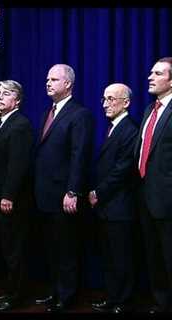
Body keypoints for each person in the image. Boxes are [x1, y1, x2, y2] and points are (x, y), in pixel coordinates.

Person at [34, 64, 94, 312]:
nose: (48, 83)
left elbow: (79, 156)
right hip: (44, 194)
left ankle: (66, 297)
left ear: (68, 84)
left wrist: (72, 192)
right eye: (47, 79)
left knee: (66, 249)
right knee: (50, 248)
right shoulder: (48, 112)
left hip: (63, 196)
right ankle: (55, 291)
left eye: (54, 79)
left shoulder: (80, 114)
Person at [88, 83, 138, 313]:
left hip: (120, 205)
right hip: (106, 207)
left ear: (125, 102)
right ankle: (112, 297)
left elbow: (122, 169)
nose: (105, 104)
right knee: (108, 257)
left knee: (121, 258)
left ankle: (123, 302)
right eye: (104, 99)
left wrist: (99, 193)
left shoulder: (130, 129)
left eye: (111, 99)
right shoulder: (111, 127)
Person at [0, 80, 34, 311]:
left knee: (15, 250)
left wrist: (8, 196)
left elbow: (18, 165)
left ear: (17, 100)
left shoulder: (20, 125)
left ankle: (17, 295)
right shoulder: (3, 123)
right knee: (6, 248)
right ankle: (10, 289)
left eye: (5, 94)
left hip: (12, 200)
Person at [135, 57, 172, 314]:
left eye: (158, 73)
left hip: (167, 200)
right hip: (145, 197)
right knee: (155, 257)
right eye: (150, 72)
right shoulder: (150, 109)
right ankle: (162, 303)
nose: (150, 77)